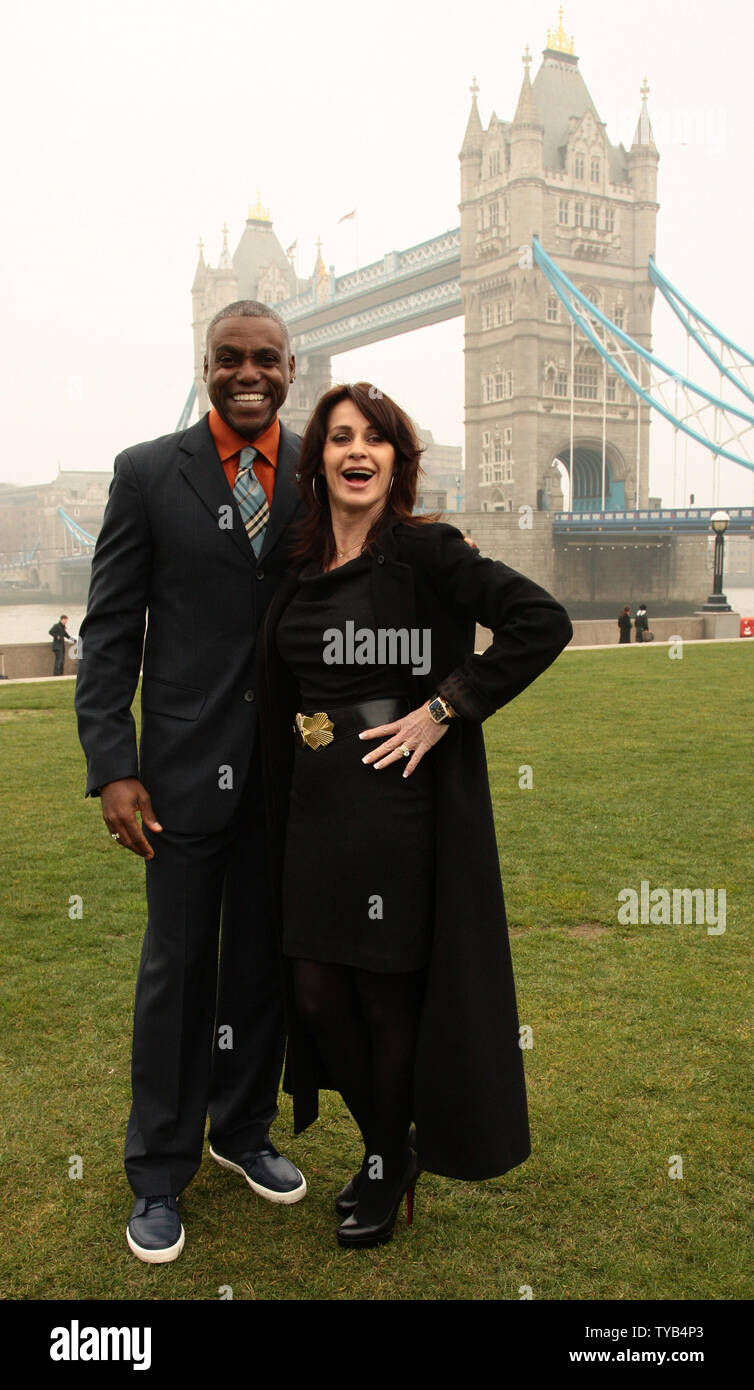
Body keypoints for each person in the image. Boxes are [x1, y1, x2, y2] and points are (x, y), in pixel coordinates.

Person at [258, 383, 573, 1249]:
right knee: (316, 995)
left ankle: (381, 1158)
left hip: (395, 811)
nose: (357, 453)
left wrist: (445, 708)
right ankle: (392, 1148)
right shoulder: (296, 561)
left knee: (385, 997)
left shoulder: (429, 551)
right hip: (313, 810)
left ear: (398, 459)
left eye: (376, 440)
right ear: (316, 460)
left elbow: (538, 622)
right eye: (339, 439)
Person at [75, 301, 308, 1264]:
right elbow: (110, 631)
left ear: (292, 366)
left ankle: (241, 1129)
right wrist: (113, 768)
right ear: (203, 365)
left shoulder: (316, 469)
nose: (248, 373)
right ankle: (159, 1171)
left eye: (266, 358)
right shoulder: (144, 473)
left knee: (262, 965)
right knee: (178, 973)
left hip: (291, 775)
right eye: (229, 359)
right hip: (175, 774)